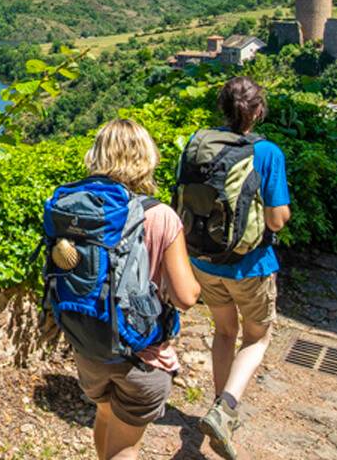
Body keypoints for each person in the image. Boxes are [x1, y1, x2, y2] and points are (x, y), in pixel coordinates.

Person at [73, 119, 202, 460]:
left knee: (104, 415)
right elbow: (186, 297)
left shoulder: (80, 209)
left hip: (90, 346)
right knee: (127, 447)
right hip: (141, 356)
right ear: (147, 157)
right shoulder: (161, 216)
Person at [189, 78, 291, 460]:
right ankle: (225, 408)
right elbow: (277, 220)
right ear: (259, 111)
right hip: (250, 265)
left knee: (223, 331)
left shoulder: (199, 143)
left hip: (204, 259)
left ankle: (220, 405)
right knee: (257, 339)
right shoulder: (267, 153)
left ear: (222, 107)